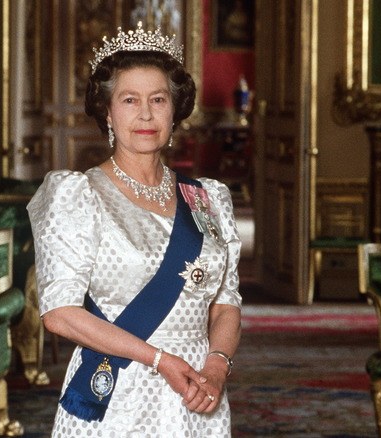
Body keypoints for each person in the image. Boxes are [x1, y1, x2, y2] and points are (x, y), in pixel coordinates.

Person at [27, 22, 242, 437]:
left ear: (174, 110)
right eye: (130, 100)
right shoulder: (78, 196)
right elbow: (59, 314)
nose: (145, 113)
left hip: (198, 391)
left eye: (158, 99)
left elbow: (225, 302)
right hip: (118, 393)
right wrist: (159, 359)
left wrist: (216, 366)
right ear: (107, 112)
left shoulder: (208, 199)